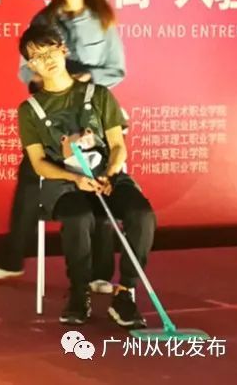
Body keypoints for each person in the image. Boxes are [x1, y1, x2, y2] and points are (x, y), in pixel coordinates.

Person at [0, 0, 125, 294]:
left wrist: (87, 78)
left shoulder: (103, 21)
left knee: (99, 187)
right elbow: (24, 68)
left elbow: (117, 70)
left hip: (91, 117)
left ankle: (98, 273)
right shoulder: (43, 21)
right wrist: (42, 77)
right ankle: (12, 259)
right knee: (32, 181)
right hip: (52, 117)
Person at [14, 23, 154, 326]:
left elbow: (118, 146)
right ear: (31, 66)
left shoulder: (99, 94)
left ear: (63, 50)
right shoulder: (29, 110)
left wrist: (111, 174)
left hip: (107, 178)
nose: (47, 60)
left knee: (142, 214)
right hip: (65, 185)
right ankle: (79, 292)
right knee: (78, 217)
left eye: (50, 51)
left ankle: (125, 293)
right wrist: (76, 179)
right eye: (37, 57)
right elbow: (38, 163)